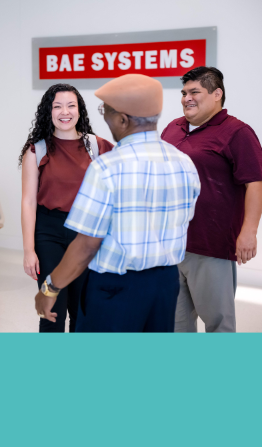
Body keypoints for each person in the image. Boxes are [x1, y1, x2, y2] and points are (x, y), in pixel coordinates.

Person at [34, 74, 200, 332]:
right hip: (166, 284)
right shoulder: (183, 162)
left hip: (115, 288)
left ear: (122, 119)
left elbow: (86, 246)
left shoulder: (107, 167)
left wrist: (50, 287)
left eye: (106, 111)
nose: (104, 117)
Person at [161, 66, 262, 333]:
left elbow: (255, 184)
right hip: (170, 243)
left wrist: (248, 232)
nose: (187, 98)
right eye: (184, 93)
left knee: (218, 323)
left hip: (211, 244)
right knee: (174, 322)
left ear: (217, 94)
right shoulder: (173, 128)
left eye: (195, 91)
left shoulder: (237, 132)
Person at [20, 83, 114, 333]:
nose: (65, 112)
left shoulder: (97, 146)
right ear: (48, 112)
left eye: (71, 105)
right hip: (49, 233)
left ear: (80, 110)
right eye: (57, 106)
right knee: (52, 309)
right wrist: (29, 250)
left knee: (83, 309)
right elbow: (28, 201)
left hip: (87, 233)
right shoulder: (36, 148)